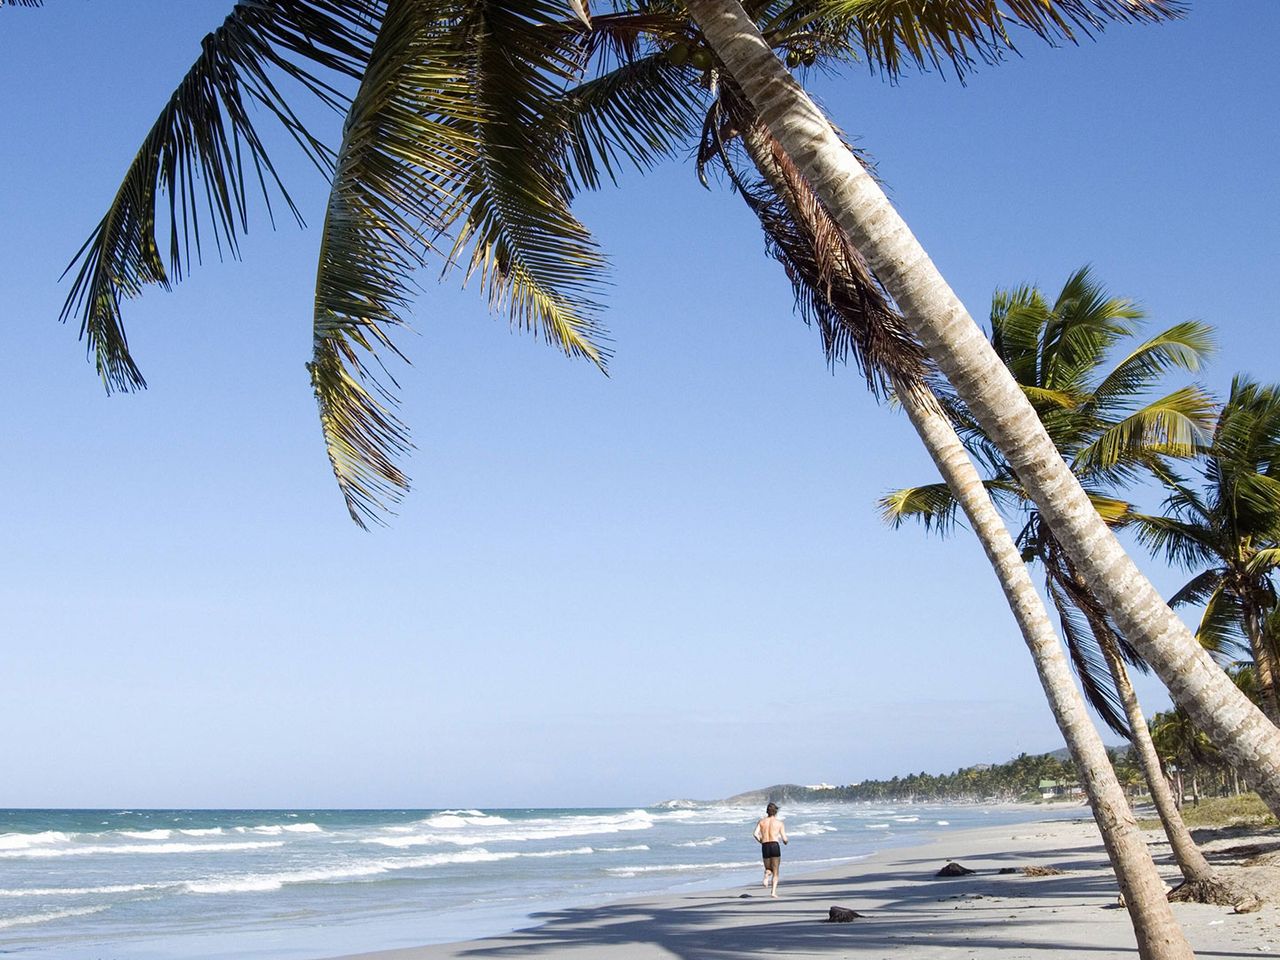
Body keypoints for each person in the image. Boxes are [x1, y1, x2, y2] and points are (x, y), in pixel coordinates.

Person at [752, 802, 788, 897]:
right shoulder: (779, 823)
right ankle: (773, 892)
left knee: (768, 868)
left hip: (765, 845)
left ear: (767, 811)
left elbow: (755, 834)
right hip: (775, 845)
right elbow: (784, 838)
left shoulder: (761, 822)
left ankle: (766, 875)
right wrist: (785, 842)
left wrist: (761, 841)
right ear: (776, 812)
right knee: (775, 870)